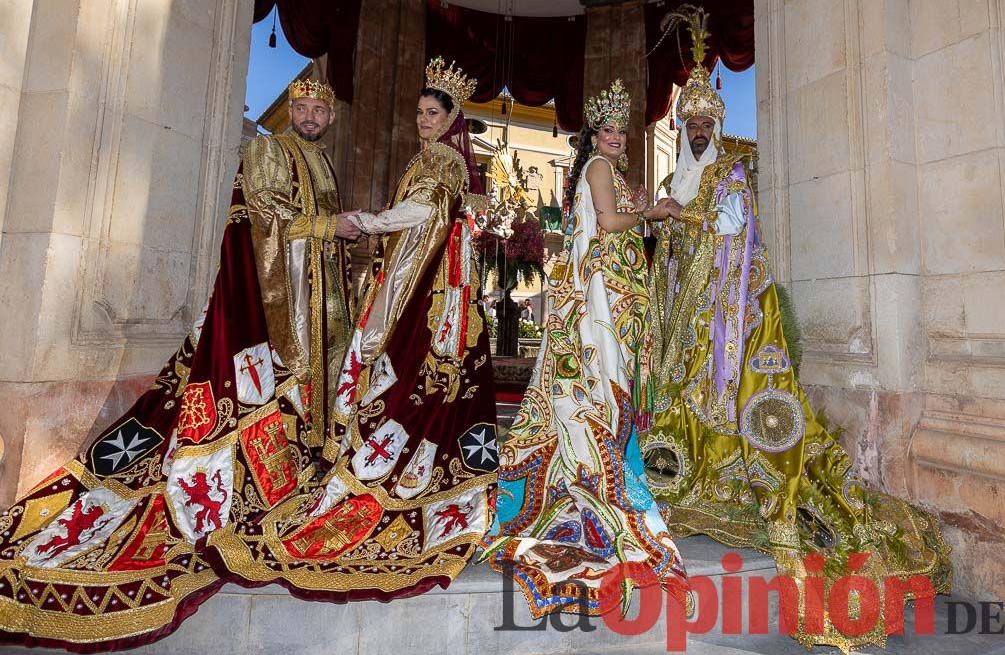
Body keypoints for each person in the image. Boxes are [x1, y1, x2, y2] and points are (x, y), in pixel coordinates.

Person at [0, 77, 360, 649]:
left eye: (321, 109)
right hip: (278, 309)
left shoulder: (323, 162)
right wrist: (327, 226)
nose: (312, 116)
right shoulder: (270, 149)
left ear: (331, 117)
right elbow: (264, 214)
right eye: (304, 107)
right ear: (292, 110)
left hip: (316, 307)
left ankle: (292, 477)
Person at [643, 6, 951, 651]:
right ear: (680, 126)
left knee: (728, 394)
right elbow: (674, 244)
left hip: (726, 313)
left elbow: (734, 233)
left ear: (715, 125)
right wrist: (666, 224)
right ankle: (686, 468)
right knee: (680, 395)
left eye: (706, 123)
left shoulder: (729, 170)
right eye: (690, 123)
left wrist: (678, 217)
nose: (698, 131)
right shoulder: (676, 175)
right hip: (685, 310)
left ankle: (733, 474)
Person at [207, 57, 499, 600]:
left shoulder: (438, 160)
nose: (423, 121)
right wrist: (339, 226)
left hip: (412, 288)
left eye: (432, 113)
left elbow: (422, 213)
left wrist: (365, 223)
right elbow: (266, 215)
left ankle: (368, 463)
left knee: (382, 365)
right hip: (295, 288)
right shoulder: (275, 151)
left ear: (451, 118)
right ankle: (317, 455)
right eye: (419, 112)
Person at [480, 79, 686, 618]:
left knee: (605, 388)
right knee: (602, 386)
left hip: (609, 298)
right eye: (607, 130)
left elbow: (610, 223)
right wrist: (652, 213)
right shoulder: (597, 168)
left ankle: (600, 473)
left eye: (622, 131)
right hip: (598, 303)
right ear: (594, 136)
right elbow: (610, 223)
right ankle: (600, 481)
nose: (616, 137)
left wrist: (642, 207)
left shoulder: (606, 171)